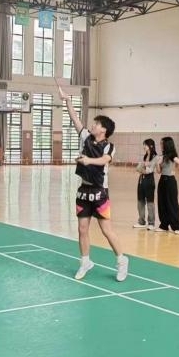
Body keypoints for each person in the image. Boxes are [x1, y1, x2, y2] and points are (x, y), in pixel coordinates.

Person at [59, 86, 129, 282]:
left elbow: (105, 160)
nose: (92, 125)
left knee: (106, 230)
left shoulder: (109, 146)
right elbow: (74, 118)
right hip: (83, 191)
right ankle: (85, 262)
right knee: (82, 229)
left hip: (100, 193)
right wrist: (67, 100)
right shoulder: (86, 138)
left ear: (103, 129)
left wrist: (88, 160)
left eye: (96, 123)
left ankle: (122, 261)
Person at [155, 136, 179, 235]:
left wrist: (174, 169)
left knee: (172, 204)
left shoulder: (173, 157)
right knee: (162, 203)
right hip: (162, 180)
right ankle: (164, 225)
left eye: (162, 143)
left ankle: (177, 227)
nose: (160, 145)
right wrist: (157, 164)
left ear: (167, 145)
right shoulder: (162, 157)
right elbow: (159, 172)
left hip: (170, 181)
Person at [133, 138, 157, 230]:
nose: (144, 146)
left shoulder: (155, 157)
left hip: (149, 181)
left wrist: (141, 168)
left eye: (145, 145)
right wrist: (142, 167)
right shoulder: (145, 156)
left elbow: (148, 170)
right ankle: (141, 221)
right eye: (143, 144)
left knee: (150, 202)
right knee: (140, 201)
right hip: (141, 180)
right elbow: (138, 168)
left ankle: (151, 223)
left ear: (151, 146)